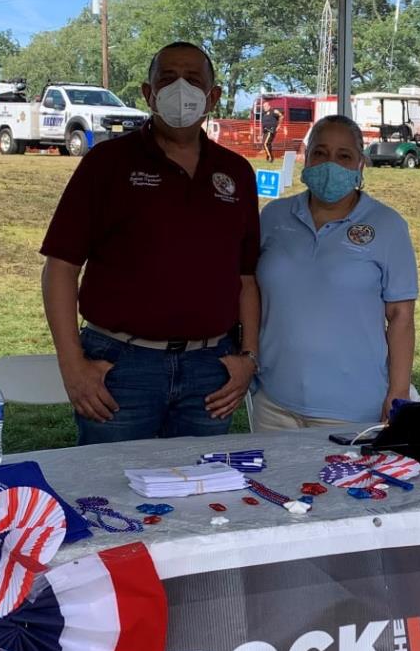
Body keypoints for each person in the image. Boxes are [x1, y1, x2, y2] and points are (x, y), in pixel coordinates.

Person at [40, 42, 261, 444]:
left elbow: (246, 277)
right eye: (168, 78)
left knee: (203, 495)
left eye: (194, 80)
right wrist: (72, 364)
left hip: (211, 372)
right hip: (120, 367)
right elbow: (60, 267)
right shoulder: (107, 163)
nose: (181, 88)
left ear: (213, 96)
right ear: (148, 93)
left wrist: (248, 359)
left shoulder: (236, 173)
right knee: (109, 496)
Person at [252, 114, 418, 430]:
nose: (331, 163)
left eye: (344, 156)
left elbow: (401, 316)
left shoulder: (387, 226)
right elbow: (250, 293)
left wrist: (398, 392)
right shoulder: (273, 217)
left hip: (351, 410)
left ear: (360, 165)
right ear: (305, 156)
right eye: (320, 152)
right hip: (273, 403)